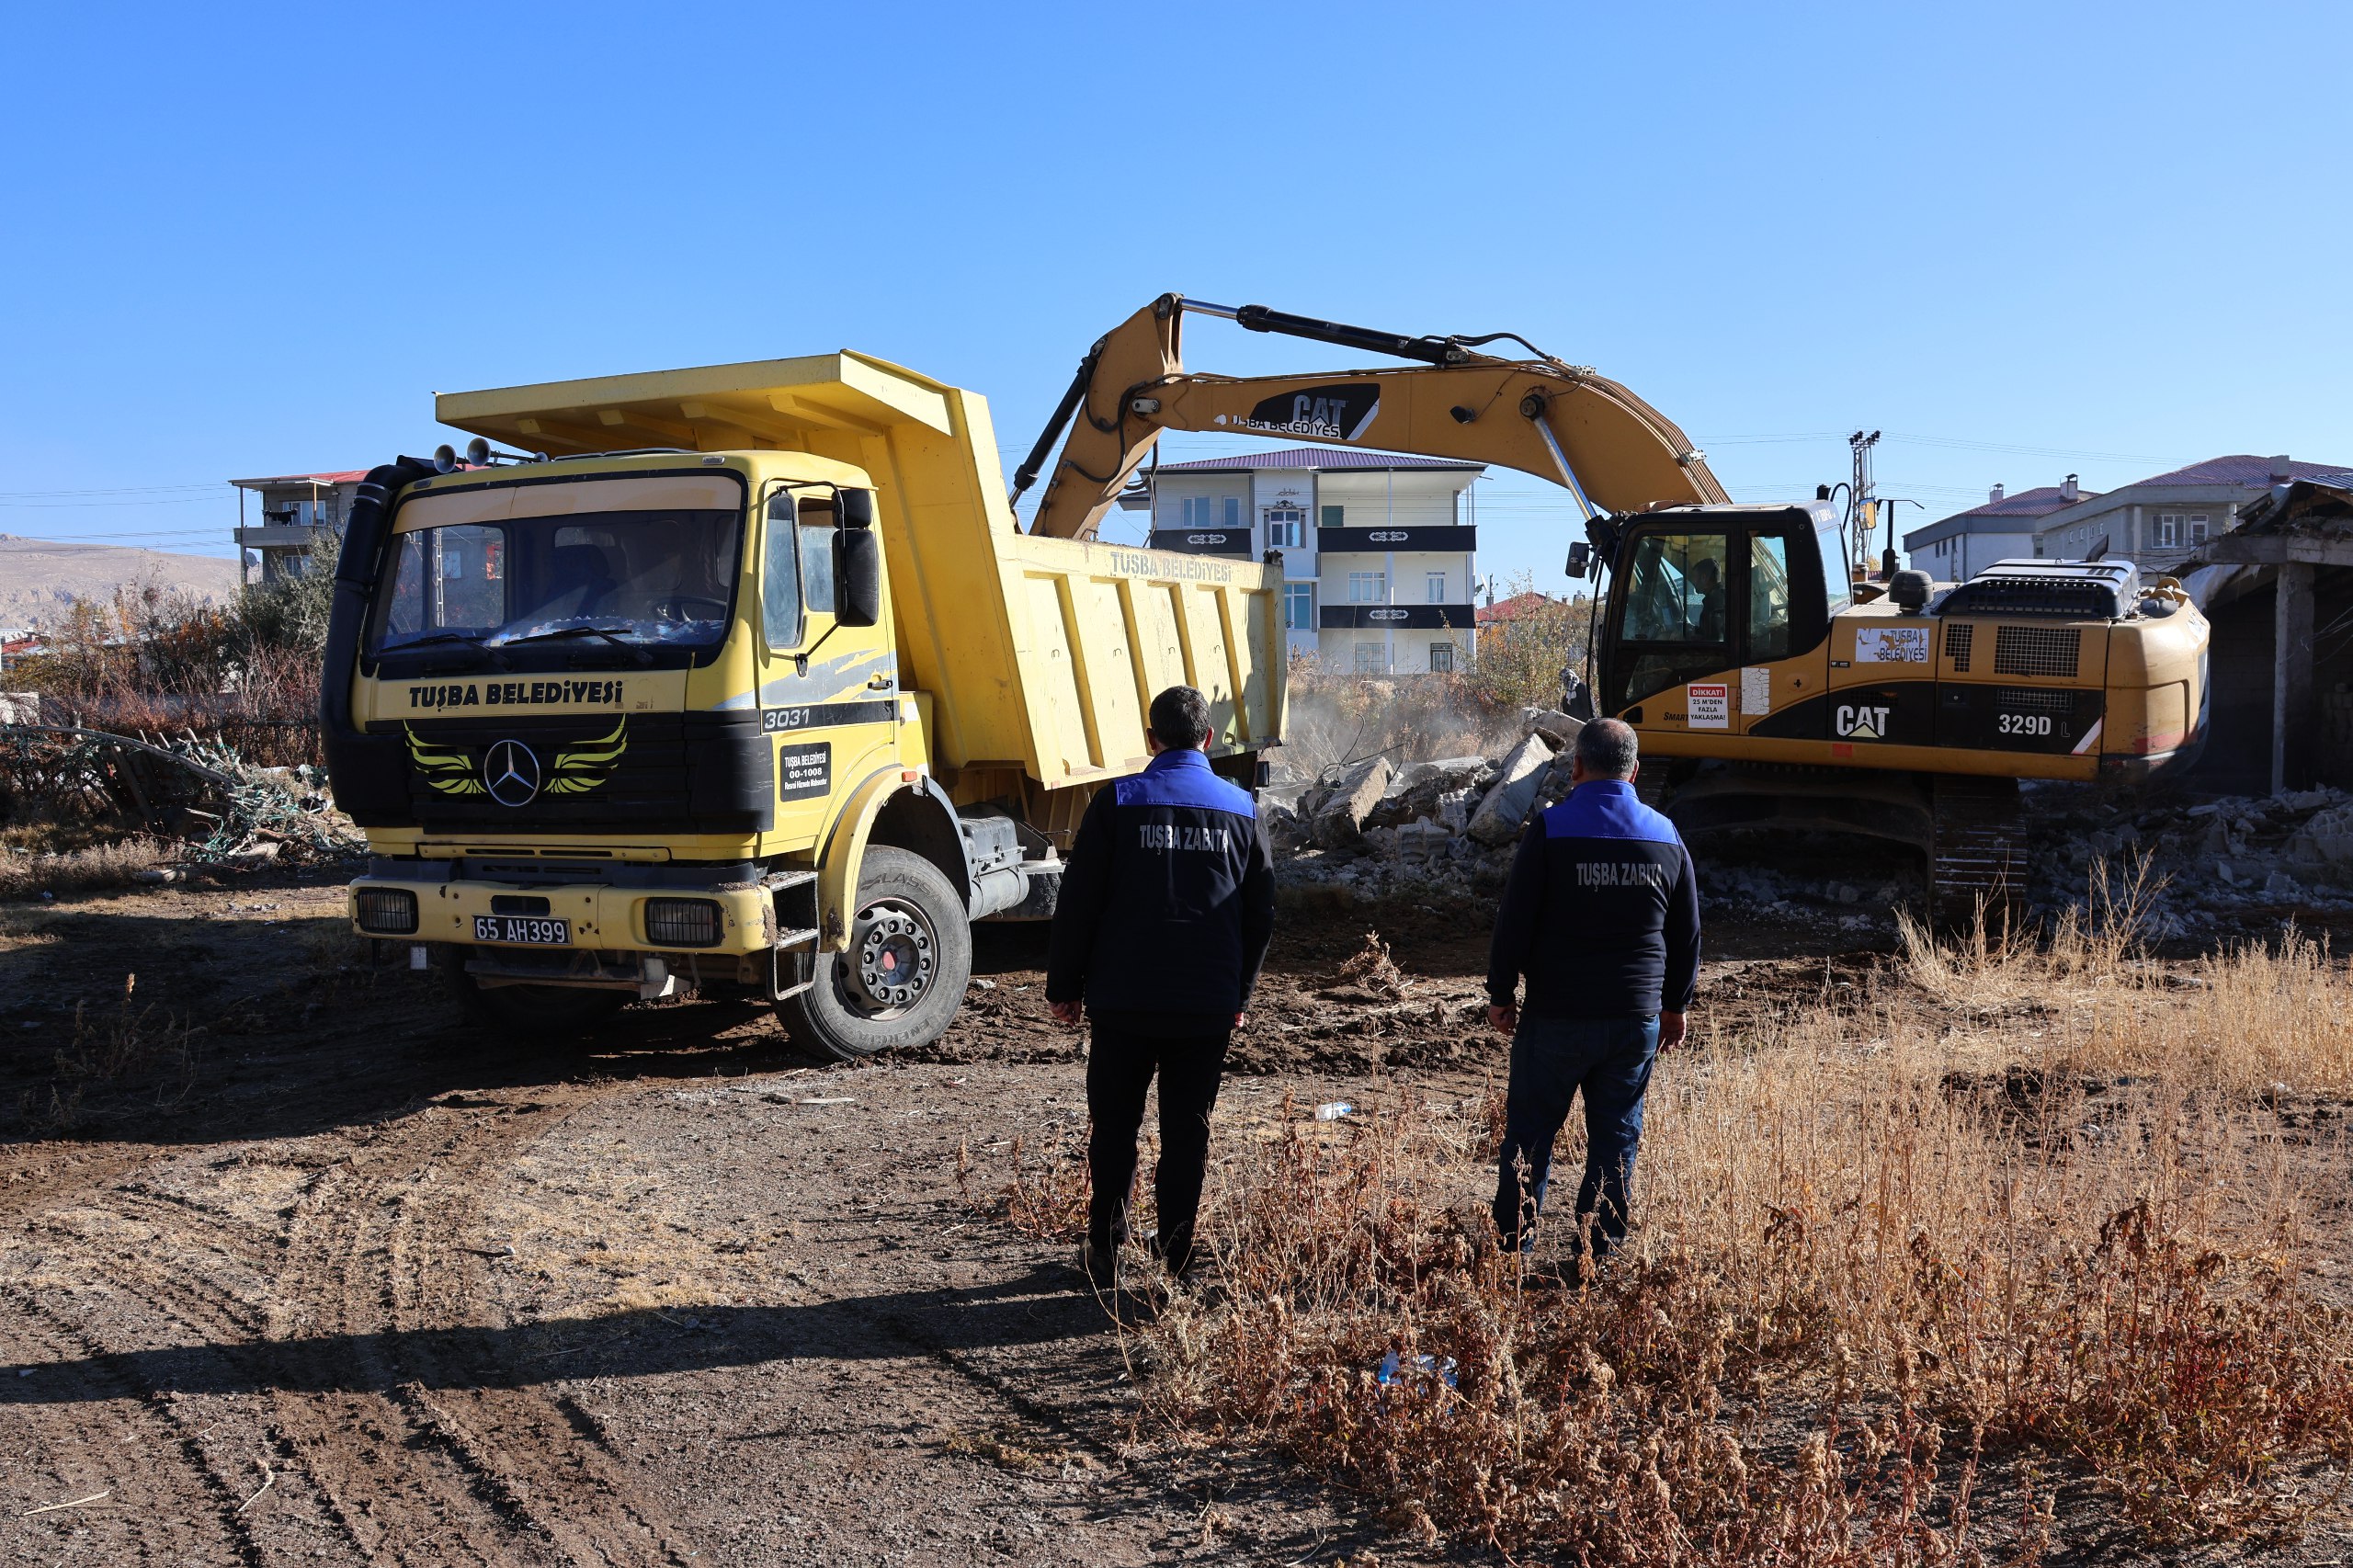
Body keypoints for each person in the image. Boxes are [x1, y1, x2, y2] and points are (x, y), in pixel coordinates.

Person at [1046, 686, 1276, 1290]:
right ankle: (1175, 1255)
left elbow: (1079, 903)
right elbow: (1261, 915)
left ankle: (1105, 1250)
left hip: (1122, 1003)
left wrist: (1064, 985)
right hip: (1205, 1009)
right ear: (1208, 740)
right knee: (1186, 1133)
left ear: (1151, 739)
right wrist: (1240, 996)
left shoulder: (1115, 802)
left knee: (1115, 1128)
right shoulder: (1243, 810)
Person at [1485, 718, 1699, 1270]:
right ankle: (1596, 1258)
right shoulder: (1666, 835)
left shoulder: (1551, 829)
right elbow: (1686, 933)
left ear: (1576, 767)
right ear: (1634, 770)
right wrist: (1676, 1006)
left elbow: (1514, 923)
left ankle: (1512, 1250)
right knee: (1615, 1139)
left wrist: (1501, 993)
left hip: (1556, 1016)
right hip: (1633, 1021)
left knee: (1529, 1135)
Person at [1688, 557, 1724, 642]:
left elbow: (1714, 641)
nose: (1693, 581)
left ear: (1704, 578)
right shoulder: (1720, 597)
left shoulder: (1714, 603)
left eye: (1694, 577)